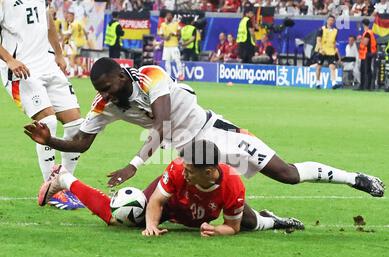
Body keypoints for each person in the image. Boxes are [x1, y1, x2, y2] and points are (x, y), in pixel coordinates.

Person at [24, 58, 385, 201]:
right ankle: (268, 223)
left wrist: (133, 164)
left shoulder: (151, 76)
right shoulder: (104, 105)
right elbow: (82, 143)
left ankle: (355, 178)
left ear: (121, 75)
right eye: (99, 90)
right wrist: (51, 139)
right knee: (149, 207)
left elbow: (163, 124)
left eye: (108, 86)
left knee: (287, 174)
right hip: (187, 155)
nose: (103, 94)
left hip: (215, 133)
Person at [38, 141, 305, 236]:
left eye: (191, 171)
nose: (184, 171)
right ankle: (64, 179)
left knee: (246, 223)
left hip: (202, 212)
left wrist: (218, 231)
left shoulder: (233, 185)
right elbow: (156, 200)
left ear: (210, 172)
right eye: (185, 167)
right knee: (121, 216)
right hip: (169, 204)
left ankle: (275, 221)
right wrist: (151, 225)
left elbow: (231, 228)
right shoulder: (178, 168)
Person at [0, 0, 84, 209]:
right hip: (21, 68)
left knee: (76, 125)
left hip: (47, 64)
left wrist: (58, 53)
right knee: (47, 121)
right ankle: (51, 188)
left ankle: (63, 186)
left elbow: (48, 22)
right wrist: (9, 60)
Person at [314, 15, 342, 89]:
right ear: (327, 20)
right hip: (322, 51)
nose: (331, 22)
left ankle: (333, 83)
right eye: (329, 20)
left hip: (331, 51)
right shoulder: (321, 29)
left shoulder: (335, 31)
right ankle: (317, 82)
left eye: (332, 20)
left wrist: (336, 51)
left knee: (332, 67)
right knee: (319, 67)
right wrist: (321, 49)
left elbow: (334, 42)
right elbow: (318, 40)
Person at [158, 11, 184, 80]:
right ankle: (168, 76)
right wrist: (166, 37)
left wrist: (175, 34)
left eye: (170, 16)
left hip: (174, 46)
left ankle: (180, 75)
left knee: (177, 60)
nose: (168, 17)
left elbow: (179, 33)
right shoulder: (163, 25)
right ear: (166, 17)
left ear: (172, 17)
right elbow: (161, 35)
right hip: (166, 46)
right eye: (167, 15)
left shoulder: (176, 24)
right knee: (167, 61)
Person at [357, 18, 377, 91]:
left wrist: (360, 39)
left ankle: (367, 86)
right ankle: (365, 86)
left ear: (363, 24)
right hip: (367, 53)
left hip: (367, 54)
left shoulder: (367, 33)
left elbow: (365, 43)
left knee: (366, 70)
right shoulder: (369, 32)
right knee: (365, 70)